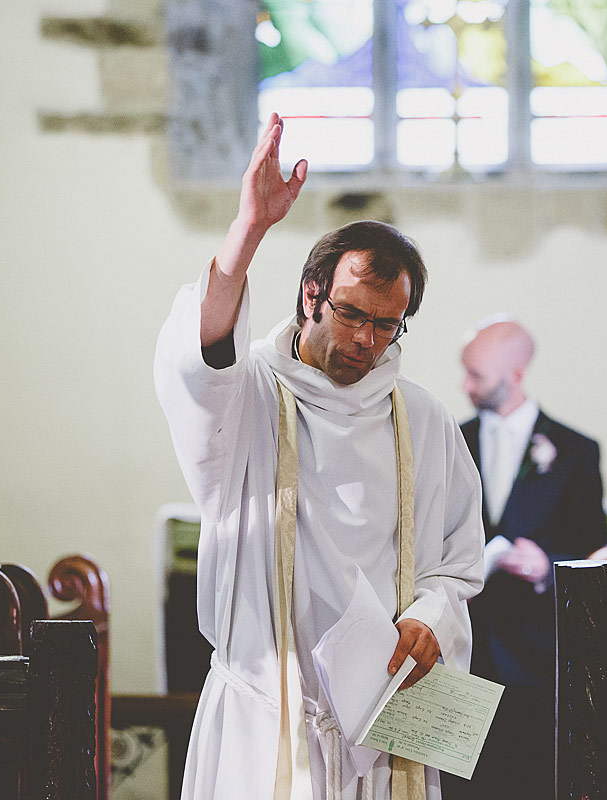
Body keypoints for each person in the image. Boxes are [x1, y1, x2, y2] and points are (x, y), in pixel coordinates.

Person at [154, 112, 484, 800]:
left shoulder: (420, 419)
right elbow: (199, 363)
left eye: (389, 324)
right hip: (264, 726)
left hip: (385, 735)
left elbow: (456, 566)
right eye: (354, 314)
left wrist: (430, 617)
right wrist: (247, 230)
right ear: (312, 295)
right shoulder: (248, 399)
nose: (369, 341)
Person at [446, 317, 607, 800]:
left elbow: (595, 553)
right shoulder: (451, 441)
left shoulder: (575, 451)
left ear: (516, 375)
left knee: (530, 782)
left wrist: (546, 565)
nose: (465, 385)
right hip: (463, 648)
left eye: (476, 374)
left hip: (537, 657)